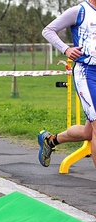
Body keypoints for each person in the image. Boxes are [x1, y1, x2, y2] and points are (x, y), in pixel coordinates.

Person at [39, 0, 96, 167]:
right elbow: (48, 30)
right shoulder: (80, 11)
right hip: (87, 72)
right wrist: (66, 49)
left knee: (88, 131)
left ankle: (50, 140)